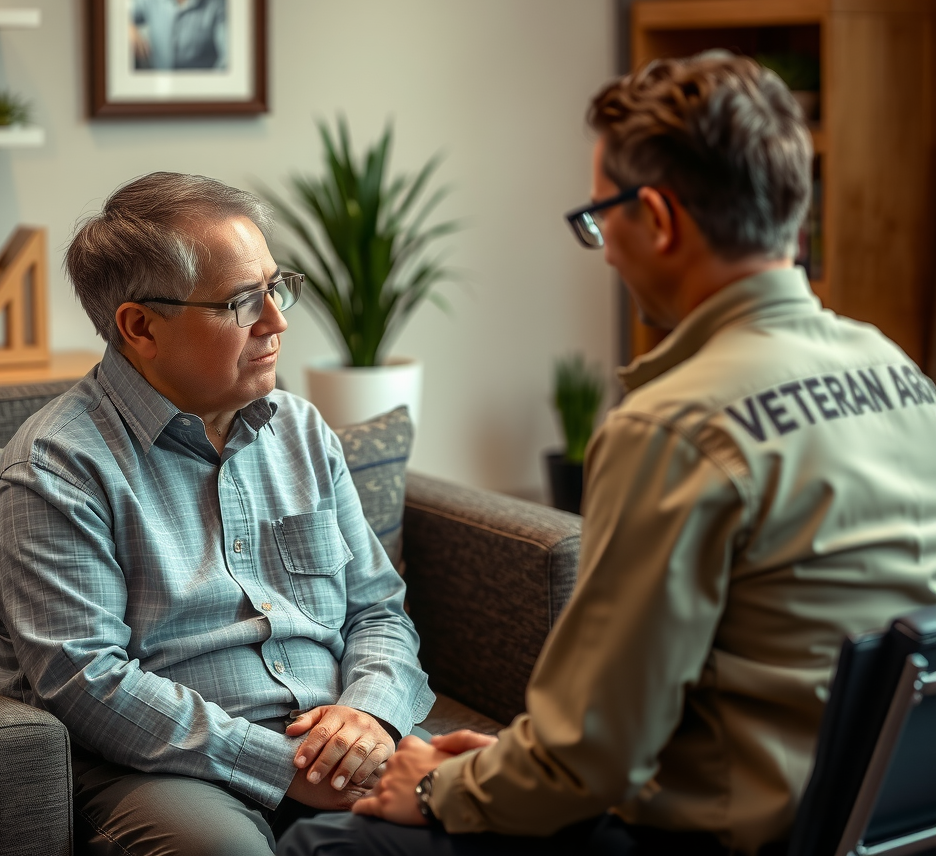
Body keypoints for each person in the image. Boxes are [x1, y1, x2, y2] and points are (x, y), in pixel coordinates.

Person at [278, 52, 936, 856]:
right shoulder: (898, 373)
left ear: (656, 218)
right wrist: (510, 766)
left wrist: (434, 785)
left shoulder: (675, 426)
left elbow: (590, 756)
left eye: (600, 216)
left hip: (733, 840)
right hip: (883, 825)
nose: (606, 250)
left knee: (324, 846)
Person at [0, 172, 434, 856]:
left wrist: (369, 716)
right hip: (159, 770)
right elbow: (87, 681)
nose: (277, 322)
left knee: (502, 806)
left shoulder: (302, 431)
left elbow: (378, 610)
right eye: (243, 302)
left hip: (337, 739)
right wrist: (286, 768)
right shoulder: (53, 469)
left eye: (276, 288)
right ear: (140, 327)